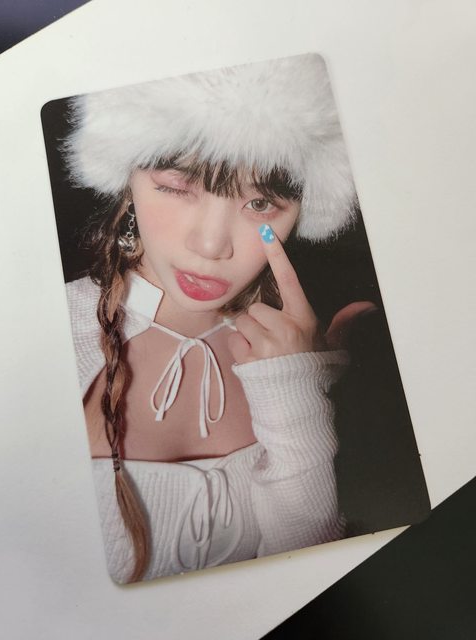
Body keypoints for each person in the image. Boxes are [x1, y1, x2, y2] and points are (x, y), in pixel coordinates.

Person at [63, 53, 371, 584]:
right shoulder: (39, 334)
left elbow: (306, 576)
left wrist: (293, 391)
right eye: (177, 186)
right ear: (127, 179)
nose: (211, 245)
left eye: (261, 204)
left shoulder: (290, 358)